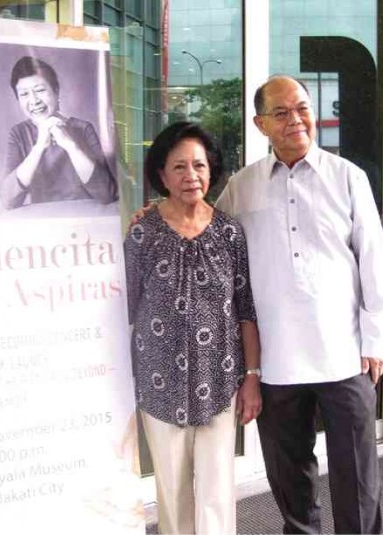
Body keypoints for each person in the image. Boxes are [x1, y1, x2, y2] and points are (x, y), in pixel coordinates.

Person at [215, 75, 383, 534]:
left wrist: (374, 341)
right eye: (281, 113)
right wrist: (158, 215)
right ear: (260, 124)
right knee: (290, 480)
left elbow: (374, 261)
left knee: (357, 479)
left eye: (302, 108)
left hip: (344, 353)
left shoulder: (347, 177)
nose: (296, 120)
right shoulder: (242, 187)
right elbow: (207, 235)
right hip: (275, 363)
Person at [124, 121, 261, 535]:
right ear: (161, 175)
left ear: (211, 170)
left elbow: (246, 311)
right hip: (159, 381)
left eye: (199, 166)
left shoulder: (229, 232)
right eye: (179, 167)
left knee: (218, 493)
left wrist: (251, 378)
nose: (191, 176)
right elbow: (124, 311)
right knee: (172, 492)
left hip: (219, 381)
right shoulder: (142, 232)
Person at [0, 56, 117, 209]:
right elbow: (8, 200)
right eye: (24, 94)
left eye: (40, 90)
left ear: (56, 91)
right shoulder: (19, 134)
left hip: (85, 219)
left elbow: (107, 193)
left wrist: (70, 146)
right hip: (45, 222)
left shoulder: (83, 128)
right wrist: (39, 147)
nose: (34, 101)